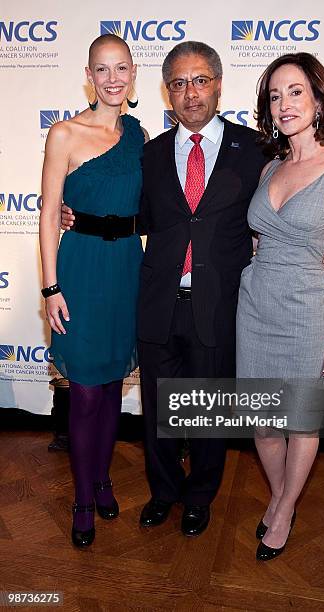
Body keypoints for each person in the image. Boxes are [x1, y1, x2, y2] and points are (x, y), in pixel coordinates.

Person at [61, 41, 324, 538]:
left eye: (200, 80)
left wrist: (319, 245)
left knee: (209, 408)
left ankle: (199, 497)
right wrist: (76, 217)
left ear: (217, 84)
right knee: (159, 409)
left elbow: (288, 207)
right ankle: (163, 492)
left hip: (223, 305)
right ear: (168, 93)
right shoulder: (147, 153)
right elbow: (129, 214)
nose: (191, 92)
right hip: (158, 300)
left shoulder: (256, 150)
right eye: (179, 83)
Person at [236, 52, 324, 560]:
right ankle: (279, 495)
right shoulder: (270, 166)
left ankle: (286, 508)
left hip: (307, 311)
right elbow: (258, 238)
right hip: (255, 305)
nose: (284, 103)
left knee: (300, 421)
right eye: (275, 95)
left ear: (318, 99)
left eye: (295, 92)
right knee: (263, 422)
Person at [39, 34, 145, 548]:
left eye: (120, 68)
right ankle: (82, 496)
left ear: (132, 73)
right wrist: (50, 286)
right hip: (79, 269)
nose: (112, 79)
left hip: (126, 267)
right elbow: (46, 213)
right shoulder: (64, 134)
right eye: (102, 70)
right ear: (89, 74)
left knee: (109, 390)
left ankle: (102, 478)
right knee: (83, 393)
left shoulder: (139, 134)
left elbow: (150, 207)